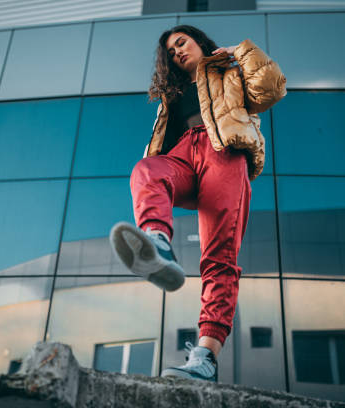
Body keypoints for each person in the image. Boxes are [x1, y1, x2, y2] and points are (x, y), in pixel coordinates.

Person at [110, 25, 286, 382]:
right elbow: (159, 153)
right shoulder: (170, 97)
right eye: (170, 51)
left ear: (198, 42)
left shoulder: (228, 72)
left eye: (181, 43)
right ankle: (157, 244)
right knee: (145, 170)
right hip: (182, 158)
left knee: (220, 257)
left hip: (223, 153)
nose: (176, 52)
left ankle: (205, 357)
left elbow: (271, 89)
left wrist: (239, 50)